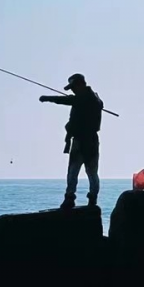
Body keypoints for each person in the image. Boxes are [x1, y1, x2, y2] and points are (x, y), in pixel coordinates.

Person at [40, 73, 104, 209]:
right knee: (82, 171)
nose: (73, 90)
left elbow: (66, 101)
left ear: (80, 84)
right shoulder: (93, 99)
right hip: (86, 140)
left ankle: (76, 198)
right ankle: (85, 198)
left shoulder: (87, 98)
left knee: (82, 171)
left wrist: (47, 98)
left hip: (85, 141)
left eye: (74, 87)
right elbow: (72, 100)